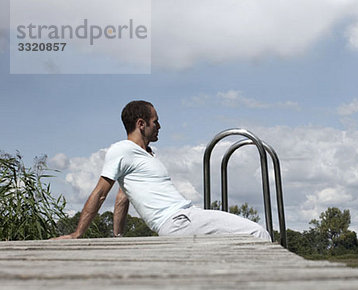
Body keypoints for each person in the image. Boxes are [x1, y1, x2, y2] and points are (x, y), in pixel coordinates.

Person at [55, 100, 271, 240]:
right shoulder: (121, 150)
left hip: (185, 218)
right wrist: (77, 234)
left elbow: (122, 197)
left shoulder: (146, 155)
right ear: (141, 124)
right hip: (178, 220)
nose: (159, 126)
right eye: (155, 122)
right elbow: (101, 192)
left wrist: (118, 237)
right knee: (257, 233)